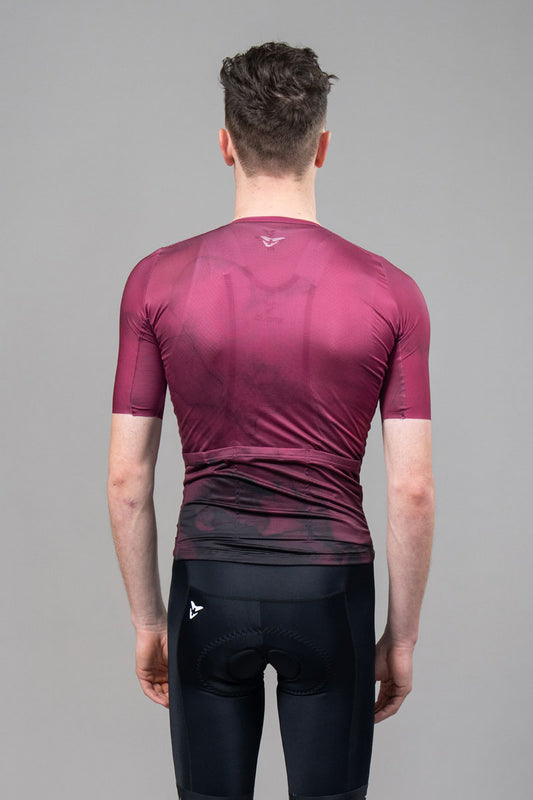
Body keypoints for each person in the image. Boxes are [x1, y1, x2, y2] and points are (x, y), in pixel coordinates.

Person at [107, 40, 435, 800]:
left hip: (207, 587)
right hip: (331, 593)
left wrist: (150, 623)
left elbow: (127, 479)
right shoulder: (391, 292)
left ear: (226, 144)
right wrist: (402, 637)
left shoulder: (155, 281)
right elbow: (412, 489)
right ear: (322, 146)